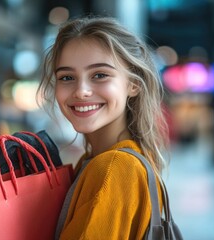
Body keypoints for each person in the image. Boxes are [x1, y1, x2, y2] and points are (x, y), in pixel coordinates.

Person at [37, 16, 169, 239]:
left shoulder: (113, 167)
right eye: (67, 77)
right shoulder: (100, 159)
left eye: (100, 75)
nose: (81, 91)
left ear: (133, 83)